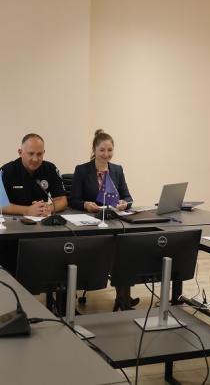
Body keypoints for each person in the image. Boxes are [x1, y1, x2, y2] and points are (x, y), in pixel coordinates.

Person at [70, 129, 136, 311]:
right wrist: (86, 205)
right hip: (90, 222)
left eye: (110, 150)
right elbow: (73, 200)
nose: (106, 154)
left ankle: (123, 299)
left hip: (113, 221)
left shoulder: (117, 170)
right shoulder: (82, 170)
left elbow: (128, 197)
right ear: (94, 150)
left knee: (124, 247)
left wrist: (124, 203)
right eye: (102, 150)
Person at [0, 133, 68, 275]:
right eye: (31, 154)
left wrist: (49, 208)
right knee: (14, 268)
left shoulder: (50, 169)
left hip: (42, 231)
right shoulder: (7, 171)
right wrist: (27, 210)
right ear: (20, 152)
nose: (35, 159)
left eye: (39, 154)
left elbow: (62, 200)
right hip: (13, 233)